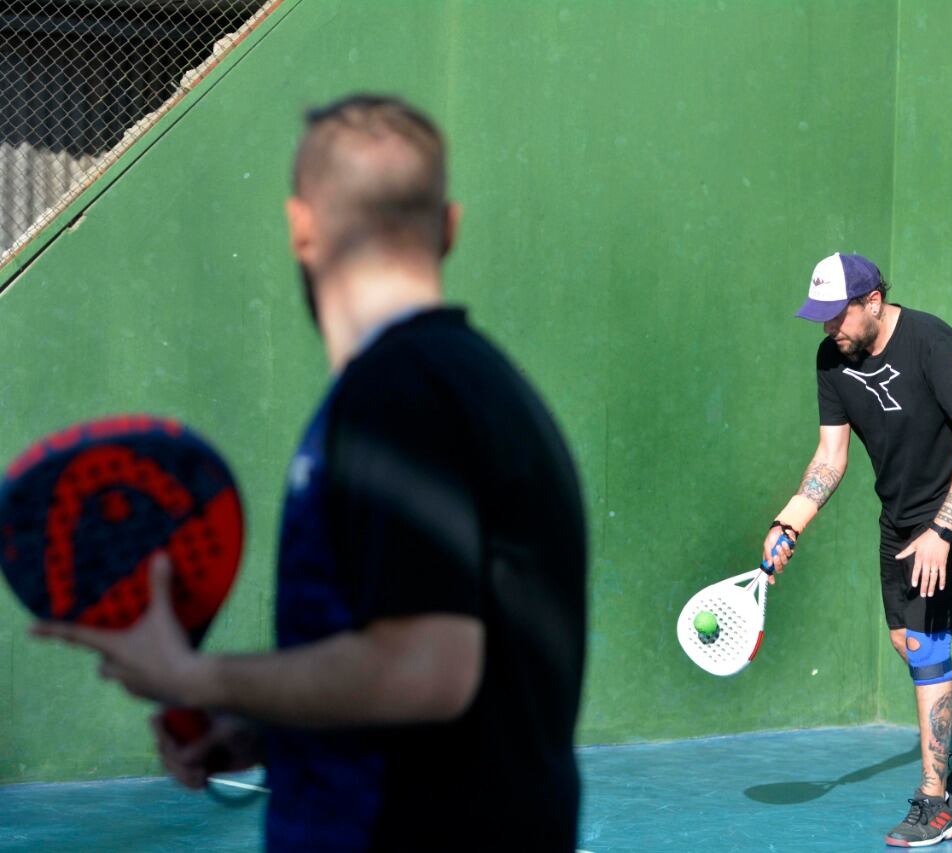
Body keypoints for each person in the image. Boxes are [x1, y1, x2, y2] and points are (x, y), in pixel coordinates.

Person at [34, 95, 587, 852]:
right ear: (449, 228)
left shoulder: (395, 397)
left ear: (302, 230)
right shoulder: (490, 389)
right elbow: (450, 691)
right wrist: (265, 733)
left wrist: (195, 677)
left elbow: (428, 669)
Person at [762, 253, 952, 848]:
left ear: (873, 301)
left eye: (838, 316)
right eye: (822, 318)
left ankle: (935, 801)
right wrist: (790, 523)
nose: (830, 329)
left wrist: (943, 531)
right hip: (901, 511)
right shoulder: (832, 358)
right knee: (907, 641)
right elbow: (830, 457)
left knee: (928, 641)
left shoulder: (932, 341)